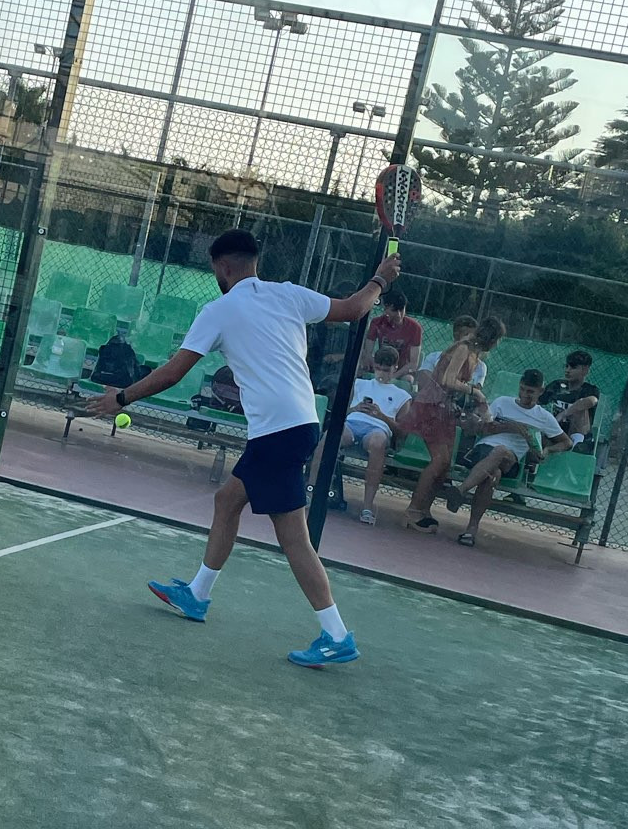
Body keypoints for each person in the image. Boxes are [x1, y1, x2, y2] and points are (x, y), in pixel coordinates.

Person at [77, 228, 398, 666]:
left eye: (215, 270)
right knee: (228, 500)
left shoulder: (219, 310)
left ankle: (336, 634)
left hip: (278, 432)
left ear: (223, 267)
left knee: (293, 538)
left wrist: (121, 397)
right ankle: (197, 594)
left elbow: (173, 373)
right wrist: (380, 279)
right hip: (301, 423)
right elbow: (355, 308)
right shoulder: (288, 294)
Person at [394, 314, 504, 531]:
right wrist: (474, 392)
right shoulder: (463, 348)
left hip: (445, 409)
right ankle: (412, 511)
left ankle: (424, 510)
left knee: (445, 464)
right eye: (497, 339)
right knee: (438, 461)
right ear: (491, 338)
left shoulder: (474, 354)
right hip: (431, 407)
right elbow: (448, 379)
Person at [445, 368, 572, 547]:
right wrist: (510, 427)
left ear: (540, 391)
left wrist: (548, 450)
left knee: (501, 451)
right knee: (493, 476)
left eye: (530, 391)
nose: (525, 394)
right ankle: (471, 529)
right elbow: (482, 429)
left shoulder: (543, 417)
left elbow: (566, 442)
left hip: (511, 460)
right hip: (484, 450)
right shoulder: (502, 403)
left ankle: (461, 490)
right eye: (522, 389)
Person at [346, 341, 409, 523]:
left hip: (378, 428)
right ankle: (311, 489)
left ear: (395, 368)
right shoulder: (359, 384)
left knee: (377, 443)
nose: (381, 374)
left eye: (386, 370)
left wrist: (381, 416)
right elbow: (339, 413)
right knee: (331, 436)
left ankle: (367, 506)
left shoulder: (402, 396)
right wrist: (355, 408)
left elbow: (402, 431)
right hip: (352, 422)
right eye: (378, 369)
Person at [539, 349, 601, 449]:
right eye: (567, 366)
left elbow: (591, 401)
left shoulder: (590, 390)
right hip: (557, 432)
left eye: (573, 367)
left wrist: (563, 414)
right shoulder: (556, 385)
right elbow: (537, 402)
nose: (568, 370)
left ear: (585, 370)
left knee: (580, 408)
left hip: (579, 433)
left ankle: (577, 445)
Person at [363, 281, 423, 380]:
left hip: (401, 370)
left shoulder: (415, 328)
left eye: (401, 310)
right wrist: (378, 370)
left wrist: (393, 376)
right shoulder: (376, 323)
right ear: (385, 309)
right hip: (380, 366)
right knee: (360, 369)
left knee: (408, 379)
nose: (399, 315)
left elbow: (413, 363)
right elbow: (368, 352)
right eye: (394, 310)